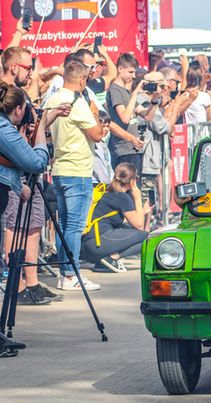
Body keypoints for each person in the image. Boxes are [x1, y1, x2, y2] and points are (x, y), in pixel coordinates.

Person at [0, 82, 68, 304]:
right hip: (14, 183)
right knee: (14, 228)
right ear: (18, 109)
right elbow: (37, 162)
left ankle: (31, 283)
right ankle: (17, 286)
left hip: (18, 184)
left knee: (33, 227)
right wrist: (40, 129)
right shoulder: (4, 128)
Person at [46, 60, 103, 291]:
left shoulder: (52, 99)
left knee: (63, 224)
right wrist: (95, 113)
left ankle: (64, 273)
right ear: (82, 80)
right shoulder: (76, 103)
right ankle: (71, 274)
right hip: (77, 171)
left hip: (59, 169)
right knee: (74, 226)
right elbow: (97, 134)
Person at [80, 163, 149, 272]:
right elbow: (139, 226)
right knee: (149, 238)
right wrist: (137, 198)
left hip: (85, 247)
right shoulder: (122, 197)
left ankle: (102, 262)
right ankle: (112, 258)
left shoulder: (105, 192)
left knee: (127, 228)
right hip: (97, 244)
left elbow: (121, 220)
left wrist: (142, 212)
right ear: (132, 181)